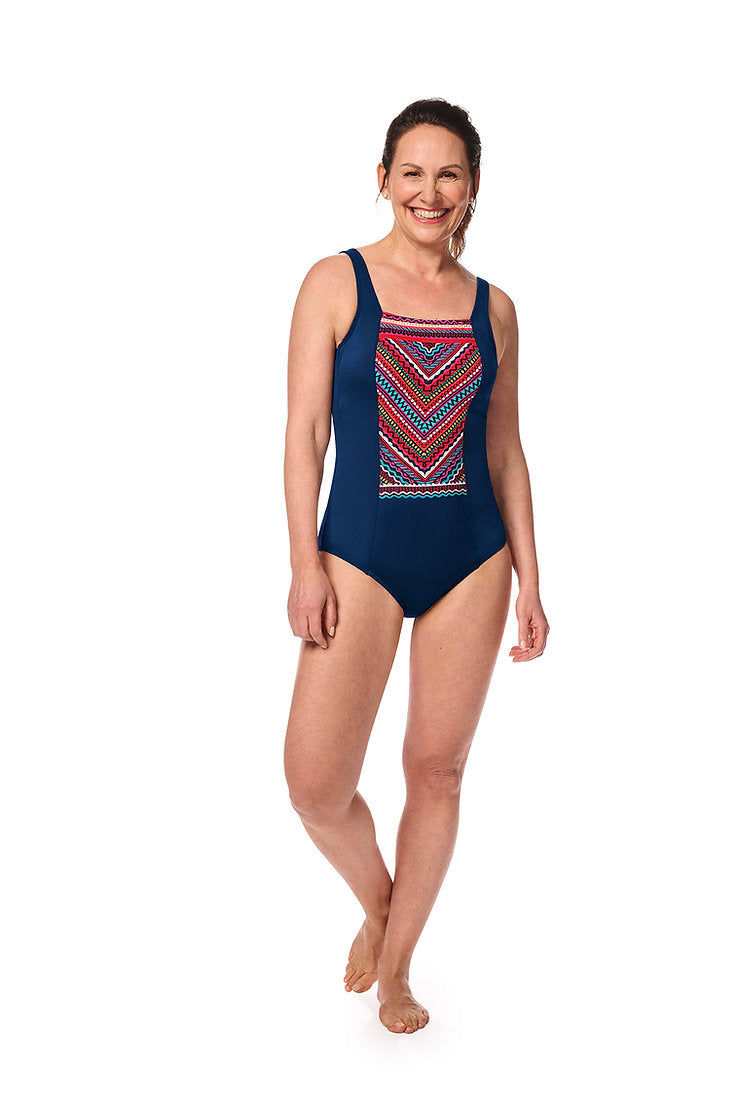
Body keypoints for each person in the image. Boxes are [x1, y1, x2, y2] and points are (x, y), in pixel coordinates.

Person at [282, 97, 549, 1035]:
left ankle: (397, 968)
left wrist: (532, 580)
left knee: (437, 770)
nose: (429, 192)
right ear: (383, 179)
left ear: (471, 187)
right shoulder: (335, 282)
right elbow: (305, 434)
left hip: (473, 558)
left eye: (449, 175)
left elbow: (506, 451)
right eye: (412, 172)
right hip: (357, 553)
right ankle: (380, 906)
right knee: (315, 783)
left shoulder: (495, 309)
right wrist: (303, 562)